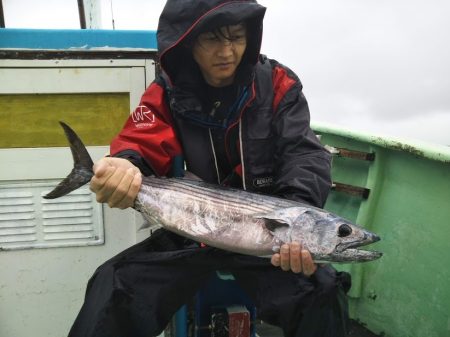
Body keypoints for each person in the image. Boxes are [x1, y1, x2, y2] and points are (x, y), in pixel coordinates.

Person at [68, 1, 351, 336]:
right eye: (213, 39)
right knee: (112, 285)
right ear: (189, 41)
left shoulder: (278, 84)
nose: (227, 51)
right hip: (192, 230)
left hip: (269, 238)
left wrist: (294, 220)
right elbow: (141, 140)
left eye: (236, 37)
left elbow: (304, 155)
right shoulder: (167, 91)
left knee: (324, 292)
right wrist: (124, 165)